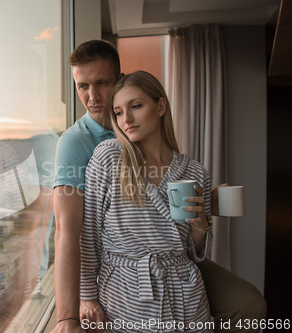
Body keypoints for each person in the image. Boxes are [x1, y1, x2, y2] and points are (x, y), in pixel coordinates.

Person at [51, 40, 266, 333]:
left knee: (250, 305)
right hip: (126, 278)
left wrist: (202, 214)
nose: (92, 96)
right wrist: (74, 309)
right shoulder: (83, 145)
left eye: (102, 83)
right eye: (82, 86)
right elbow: (70, 230)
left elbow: (189, 243)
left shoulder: (190, 168)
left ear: (119, 80)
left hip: (178, 270)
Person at [80, 70, 212, 332]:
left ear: (160, 106)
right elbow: (89, 235)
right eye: (118, 112)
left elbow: (194, 252)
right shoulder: (109, 158)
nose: (125, 119)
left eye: (136, 106)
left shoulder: (196, 173)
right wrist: (87, 296)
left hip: (186, 295)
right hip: (126, 295)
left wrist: (200, 224)